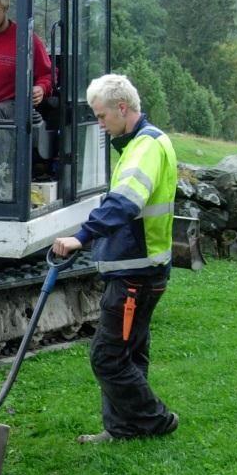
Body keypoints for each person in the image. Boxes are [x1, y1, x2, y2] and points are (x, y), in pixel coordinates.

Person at [51, 73, 179, 444]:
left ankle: (156, 420)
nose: (101, 124)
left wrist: (80, 237)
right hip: (139, 269)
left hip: (135, 275)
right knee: (130, 354)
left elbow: (124, 203)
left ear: (122, 109)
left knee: (108, 357)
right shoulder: (141, 144)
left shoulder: (147, 147)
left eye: (102, 116)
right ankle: (121, 429)